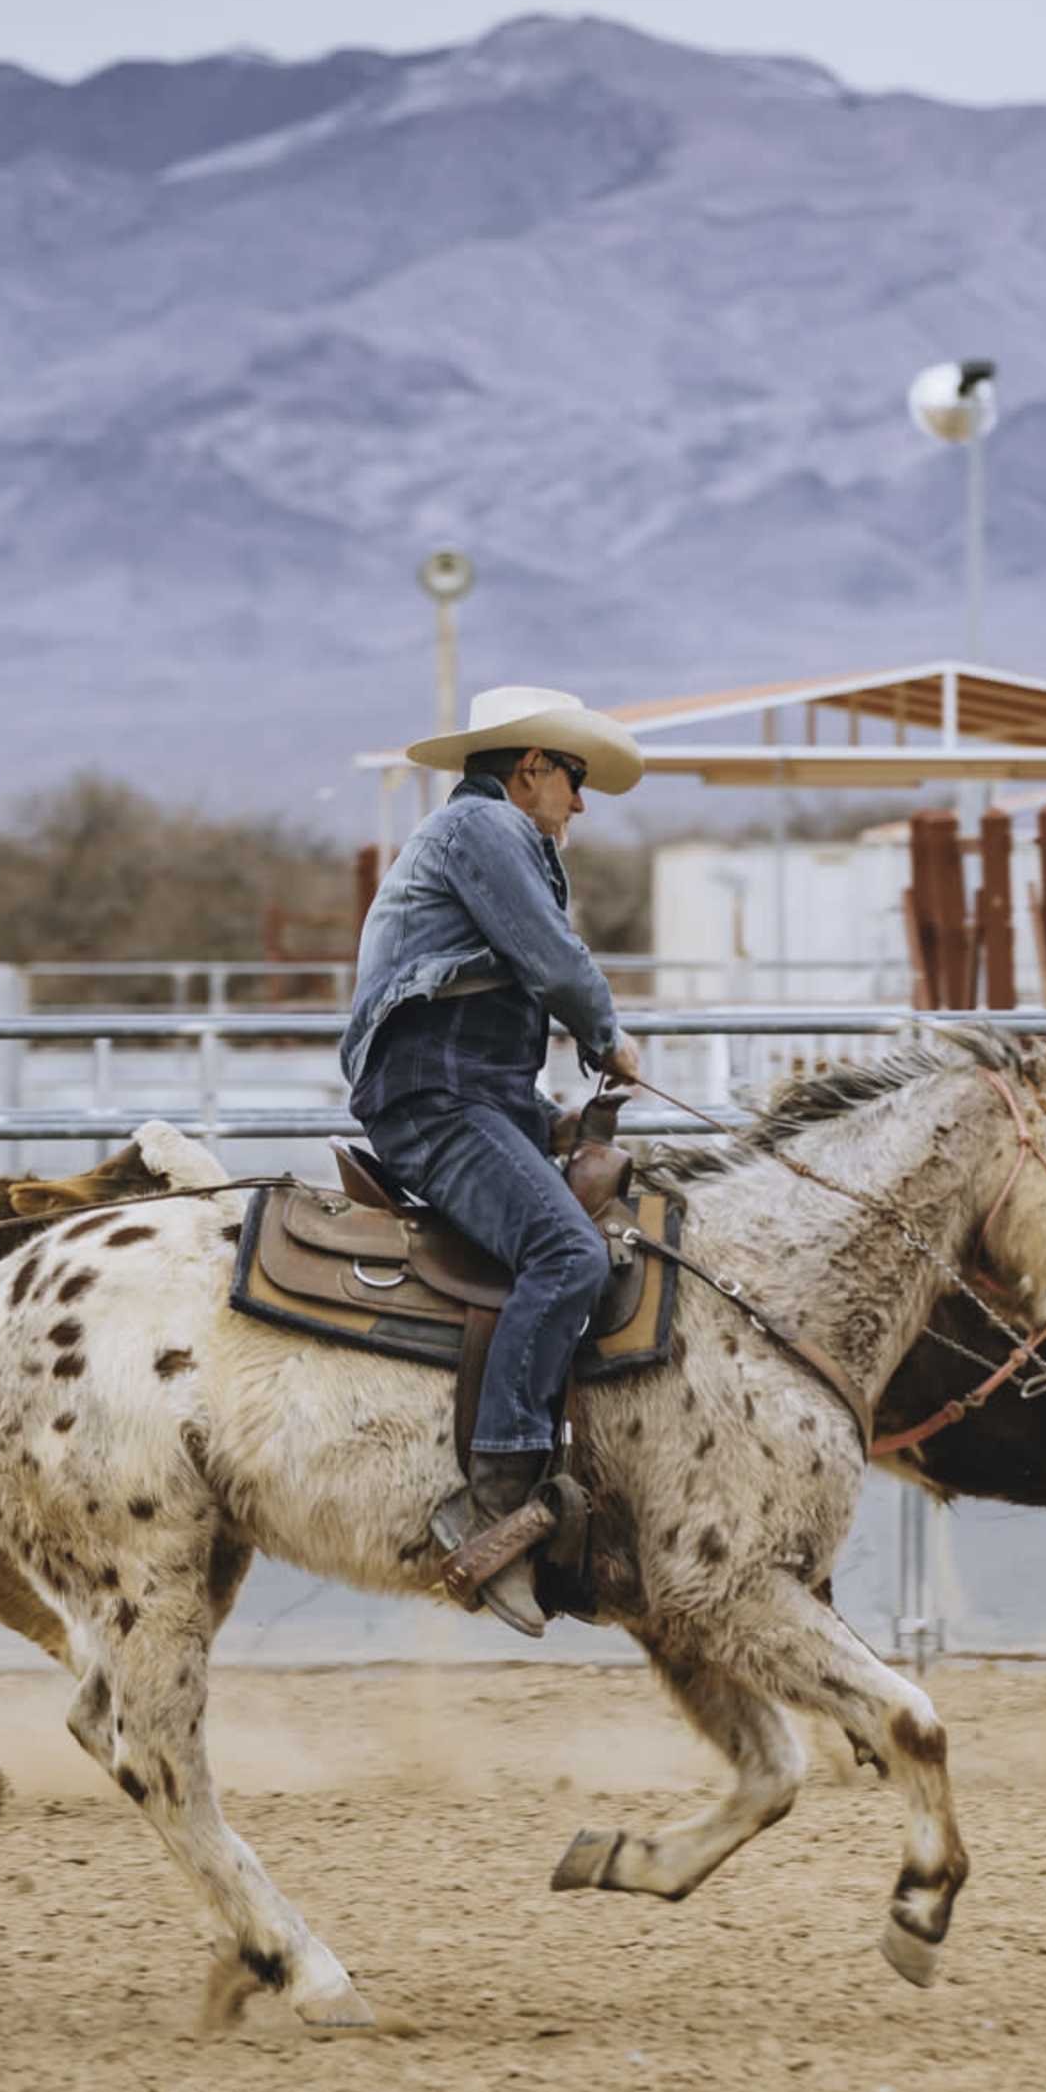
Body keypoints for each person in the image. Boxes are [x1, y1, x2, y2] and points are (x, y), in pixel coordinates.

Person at [342, 685, 646, 1632]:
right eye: (575, 781)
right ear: (533, 768)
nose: (580, 805)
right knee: (569, 1254)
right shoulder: (488, 832)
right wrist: (608, 1034)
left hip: (472, 1091)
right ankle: (495, 1502)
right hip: (440, 1097)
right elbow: (553, 963)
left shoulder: (483, 836)